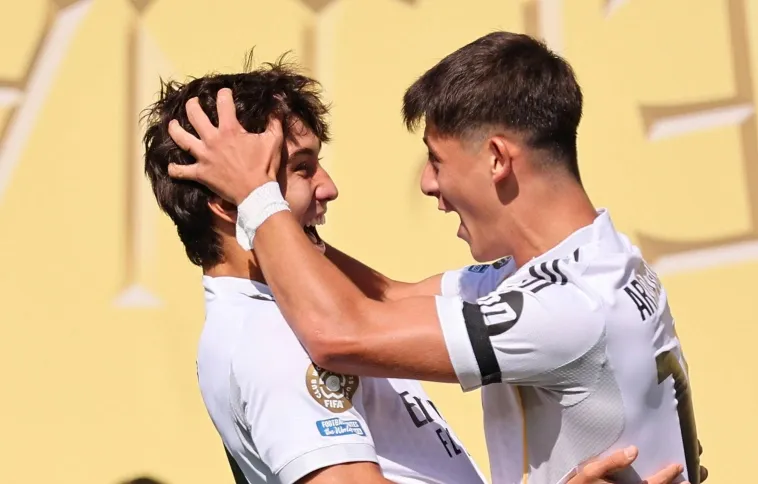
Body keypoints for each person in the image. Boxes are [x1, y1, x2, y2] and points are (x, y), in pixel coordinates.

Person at [142, 59, 689, 484]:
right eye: (303, 169)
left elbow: (364, 315)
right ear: (230, 202)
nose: (330, 187)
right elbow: (363, 315)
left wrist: (264, 205)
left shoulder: (567, 304)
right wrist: (259, 199)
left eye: (436, 160)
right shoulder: (268, 341)